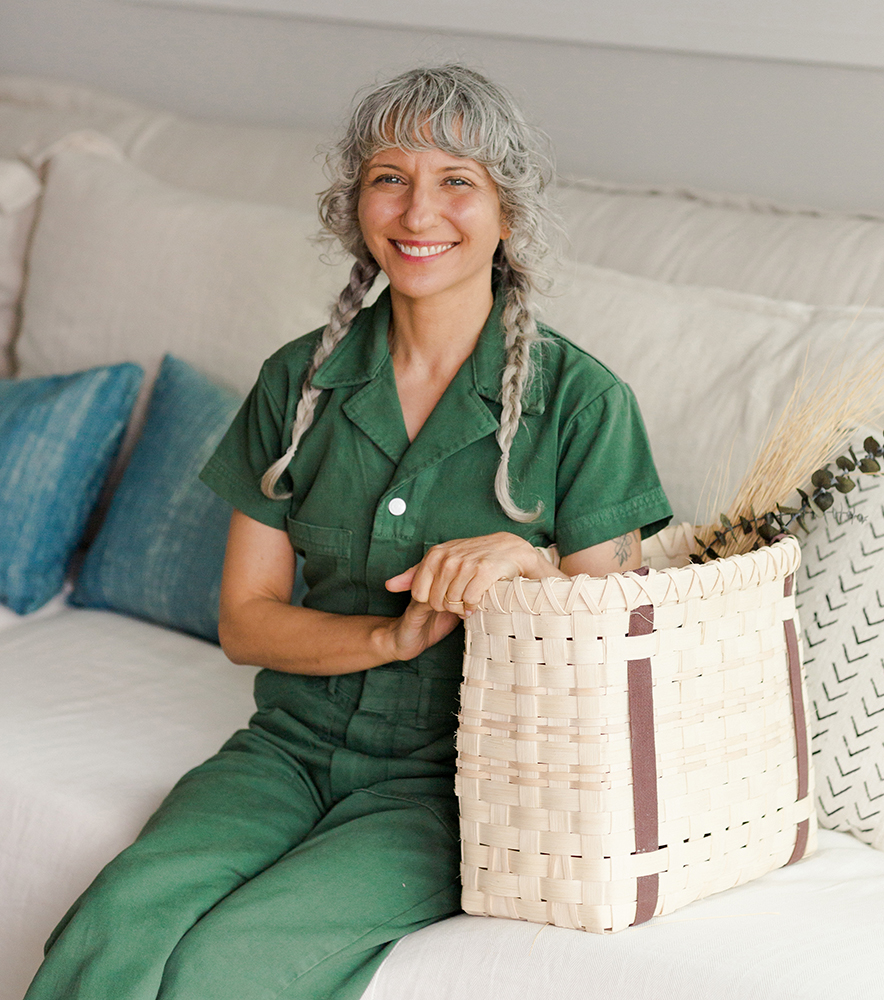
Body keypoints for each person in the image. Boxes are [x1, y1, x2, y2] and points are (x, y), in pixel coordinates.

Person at [25, 65, 672, 1000]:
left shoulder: (583, 405)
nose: (420, 211)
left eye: (459, 180)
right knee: (113, 925)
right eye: (389, 176)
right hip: (286, 750)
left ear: (507, 214)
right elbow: (247, 622)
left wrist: (527, 564)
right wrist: (388, 636)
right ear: (354, 204)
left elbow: (615, 659)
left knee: (228, 966)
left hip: (453, 790)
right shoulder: (298, 384)